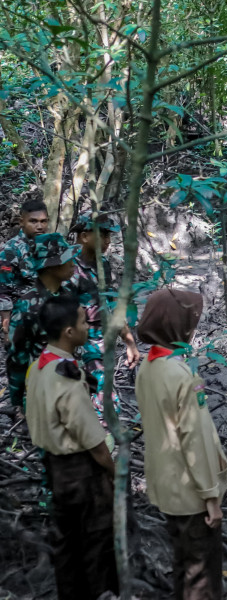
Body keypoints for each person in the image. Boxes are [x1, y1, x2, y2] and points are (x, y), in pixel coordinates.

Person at [135, 288, 227, 600]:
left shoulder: (146, 367)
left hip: (165, 489)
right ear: (180, 327)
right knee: (202, 579)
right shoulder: (184, 376)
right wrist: (211, 497)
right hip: (191, 493)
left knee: (183, 565)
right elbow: (197, 440)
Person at [24, 296, 118, 600]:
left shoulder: (39, 366)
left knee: (67, 543)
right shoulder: (67, 375)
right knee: (97, 542)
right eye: (81, 321)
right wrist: (113, 471)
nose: (87, 325)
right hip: (80, 472)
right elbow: (91, 438)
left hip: (54, 467)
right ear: (67, 332)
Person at [70, 211, 140, 421]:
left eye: (109, 236)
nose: (108, 241)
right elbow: (60, 314)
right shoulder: (68, 267)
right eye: (103, 235)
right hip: (78, 340)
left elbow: (110, 305)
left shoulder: (103, 264)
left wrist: (129, 342)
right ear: (84, 236)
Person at [8, 233, 80, 411]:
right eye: (66, 259)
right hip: (44, 392)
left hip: (72, 386)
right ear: (50, 267)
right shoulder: (27, 306)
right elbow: (17, 357)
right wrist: (18, 402)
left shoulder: (68, 296)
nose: (73, 264)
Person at [0, 199, 49, 337]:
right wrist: (6, 322)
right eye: (33, 221)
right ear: (22, 222)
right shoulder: (10, 250)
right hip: (23, 317)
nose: (39, 226)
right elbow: (3, 289)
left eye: (43, 221)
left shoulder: (51, 247)